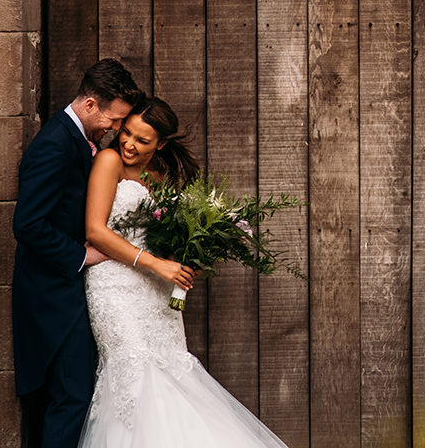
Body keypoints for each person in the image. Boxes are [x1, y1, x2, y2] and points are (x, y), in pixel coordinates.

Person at [78, 98, 292, 448]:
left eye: (142, 140)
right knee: (135, 371)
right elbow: (96, 231)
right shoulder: (109, 160)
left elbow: (163, 233)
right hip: (114, 285)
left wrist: (183, 257)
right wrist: (156, 263)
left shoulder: (161, 174)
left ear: (160, 143)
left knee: (171, 369)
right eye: (127, 133)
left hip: (157, 290)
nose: (129, 143)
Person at [13, 59, 146, 448]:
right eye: (115, 119)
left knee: (72, 395)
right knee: (71, 395)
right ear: (90, 105)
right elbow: (27, 225)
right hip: (52, 294)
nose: (118, 130)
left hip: (70, 291)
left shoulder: (80, 140)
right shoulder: (54, 145)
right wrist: (80, 255)